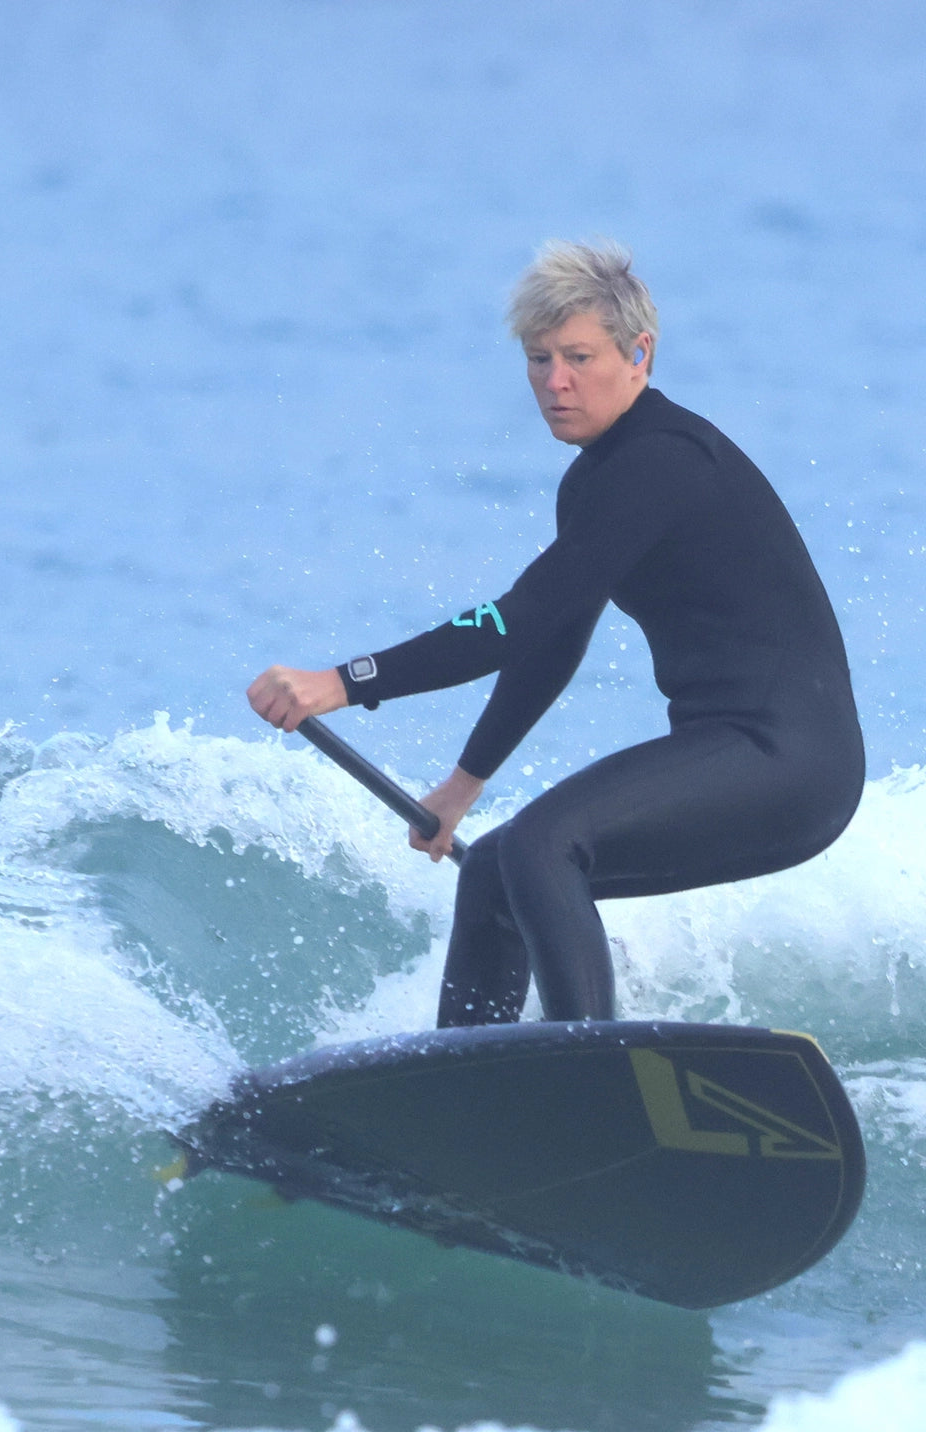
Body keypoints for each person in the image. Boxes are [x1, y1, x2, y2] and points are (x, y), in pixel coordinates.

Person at [247, 240, 864, 1029]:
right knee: (498, 870)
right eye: (538, 360)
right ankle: (471, 1086)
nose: (554, 383)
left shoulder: (662, 462)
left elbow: (518, 620)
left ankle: (589, 1072)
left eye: (577, 357)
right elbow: (555, 636)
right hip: (743, 753)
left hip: (787, 762)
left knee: (545, 846)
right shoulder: (599, 479)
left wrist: (344, 681)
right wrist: (463, 785)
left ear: (639, 353)